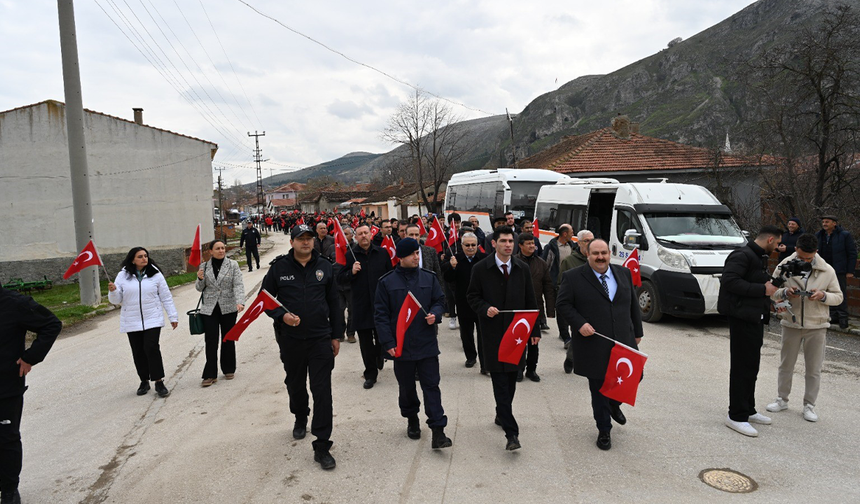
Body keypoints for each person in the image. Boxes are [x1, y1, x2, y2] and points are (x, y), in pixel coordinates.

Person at [261, 224, 343, 470]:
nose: (306, 242)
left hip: (320, 339)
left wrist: (336, 335)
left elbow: (335, 303)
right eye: (301, 239)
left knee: (322, 390)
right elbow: (265, 299)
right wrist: (281, 316)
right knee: (295, 385)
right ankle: (299, 415)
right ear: (292, 242)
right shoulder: (279, 269)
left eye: (309, 238)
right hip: (292, 340)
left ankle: (322, 444)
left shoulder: (325, 267)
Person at [555, 239, 643, 451]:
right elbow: (562, 304)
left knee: (635, 377)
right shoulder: (573, 277)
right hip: (594, 343)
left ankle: (615, 404)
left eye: (604, 253)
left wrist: (637, 332)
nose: (600, 257)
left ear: (609, 254)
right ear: (588, 254)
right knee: (599, 388)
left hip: (624, 341)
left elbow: (632, 304)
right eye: (596, 253)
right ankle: (604, 429)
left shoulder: (623, 274)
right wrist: (579, 323)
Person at [467, 225, 540, 451]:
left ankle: (501, 414)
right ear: (494, 244)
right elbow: (472, 296)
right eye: (504, 241)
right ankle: (512, 433)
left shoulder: (522, 268)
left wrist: (534, 330)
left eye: (511, 241)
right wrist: (485, 308)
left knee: (511, 381)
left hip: (517, 335)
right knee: (499, 381)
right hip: (493, 335)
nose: (508, 245)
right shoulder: (481, 269)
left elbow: (531, 301)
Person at [374, 238, 452, 448]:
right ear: (401, 257)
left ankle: (438, 430)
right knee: (407, 388)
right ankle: (412, 419)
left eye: (417, 254)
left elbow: (439, 300)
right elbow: (380, 316)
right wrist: (388, 342)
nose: (416, 257)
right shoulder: (387, 282)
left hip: (426, 343)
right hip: (401, 346)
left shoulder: (429, 277)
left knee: (432, 386)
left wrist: (435, 314)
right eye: (412, 255)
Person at [767, 233, 843, 422]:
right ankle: (782, 399)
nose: (804, 261)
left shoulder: (827, 270)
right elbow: (771, 291)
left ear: (816, 252)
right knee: (786, 365)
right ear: (796, 249)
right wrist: (784, 291)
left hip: (816, 325)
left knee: (814, 369)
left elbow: (839, 297)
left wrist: (823, 295)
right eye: (800, 257)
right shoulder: (784, 265)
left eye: (808, 258)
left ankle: (809, 405)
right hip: (790, 323)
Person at [718, 226, 781, 437]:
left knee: (752, 366)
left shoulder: (758, 257)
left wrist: (770, 293)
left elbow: (753, 282)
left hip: (754, 317)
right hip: (741, 318)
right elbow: (729, 281)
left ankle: (748, 409)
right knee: (742, 367)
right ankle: (736, 415)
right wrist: (763, 290)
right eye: (777, 243)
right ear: (770, 239)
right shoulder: (742, 255)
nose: (777, 247)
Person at [0, 288, 61, 504]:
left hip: (5, 386)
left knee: (6, 439)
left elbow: (52, 324)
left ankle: (8, 490)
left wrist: (30, 358)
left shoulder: (15, 303)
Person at [108, 247, 179, 398]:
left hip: (152, 318)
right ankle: (144, 380)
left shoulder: (155, 274)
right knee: (138, 351)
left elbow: (166, 296)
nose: (144, 259)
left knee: (151, 347)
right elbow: (116, 300)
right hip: (132, 320)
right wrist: (113, 291)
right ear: (132, 259)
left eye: (145, 256)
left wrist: (173, 316)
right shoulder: (123, 275)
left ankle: (159, 381)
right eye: (140, 256)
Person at [338, 224, 393, 389]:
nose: (363, 236)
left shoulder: (382, 253)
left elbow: (391, 275)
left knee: (381, 337)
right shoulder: (350, 255)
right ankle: (370, 374)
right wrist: (351, 272)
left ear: (371, 234)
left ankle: (379, 356)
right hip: (361, 304)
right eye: (360, 234)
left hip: (381, 303)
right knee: (365, 341)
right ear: (356, 237)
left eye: (366, 233)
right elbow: (340, 279)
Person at [195, 239, 245, 387]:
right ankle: (210, 373)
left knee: (228, 338)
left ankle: (229, 368)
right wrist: (199, 278)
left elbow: (238, 284)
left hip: (228, 306)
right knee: (211, 340)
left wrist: (240, 301)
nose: (221, 251)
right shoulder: (204, 266)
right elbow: (199, 288)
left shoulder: (233, 265)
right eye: (217, 248)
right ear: (210, 251)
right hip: (210, 308)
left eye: (223, 248)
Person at [442, 232, 487, 373]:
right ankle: (471, 357)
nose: (470, 247)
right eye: (467, 245)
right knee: (466, 333)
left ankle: (485, 361)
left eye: (473, 245)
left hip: (481, 302)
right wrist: (452, 267)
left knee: (483, 333)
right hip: (463, 302)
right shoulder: (455, 259)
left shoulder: (485, 259)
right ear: (462, 246)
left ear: (478, 246)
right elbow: (448, 279)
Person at [515, 233, 555, 382]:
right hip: (518, 310)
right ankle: (518, 368)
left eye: (533, 243)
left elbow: (548, 287)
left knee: (534, 342)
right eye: (529, 243)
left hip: (536, 309)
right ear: (520, 245)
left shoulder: (541, 263)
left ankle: (531, 369)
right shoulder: (514, 262)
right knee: (518, 341)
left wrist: (550, 310)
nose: (532, 246)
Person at [559, 230, 594, 373]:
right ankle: (571, 358)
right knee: (578, 334)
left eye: (592, 240)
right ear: (579, 243)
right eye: (586, 241)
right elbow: (561, 285)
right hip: (577, 305)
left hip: (594, 304)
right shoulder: (569, 261)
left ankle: (591, 361)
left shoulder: (597, 259)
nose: (590, 243)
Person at [815, 215, 856, 329]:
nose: (824, 224)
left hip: (839, 269)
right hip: (824, 269)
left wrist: (850, 270)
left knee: (840, 292)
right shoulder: (819, 235)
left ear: (834, 223)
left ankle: (843, 317)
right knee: (827, 292)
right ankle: (833, 316)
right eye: (823, 222)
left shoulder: (844, 235)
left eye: (827, 222)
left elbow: (851, 253)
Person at [544, 224, 575, 346]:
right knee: (561, 310)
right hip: (558, 284)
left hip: (572, 283)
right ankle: (565, 335)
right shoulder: (551, 247)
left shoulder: (572, 246)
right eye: (572, 232)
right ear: (565, 234)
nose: (573, 234)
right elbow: (546, 265)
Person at [336, 226, 357, 343]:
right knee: (339, 310)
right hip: (337, 285)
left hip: (351, 285)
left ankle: (351, 333)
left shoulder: (356, 249)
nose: (344, 236)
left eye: (347, 234)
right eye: (342, 233)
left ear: (352, 235)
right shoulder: (334, 248)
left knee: (352, 310)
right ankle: (340, 333)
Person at [442, 213, 463, 330]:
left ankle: (460, 317)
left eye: (457, 222)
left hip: (459, 268)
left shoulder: (462, 234)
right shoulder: (444, 236)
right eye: (453, 222)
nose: (456, 224)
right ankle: (452, 316)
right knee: (450, 296)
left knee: (459, 296)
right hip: (448, 268)